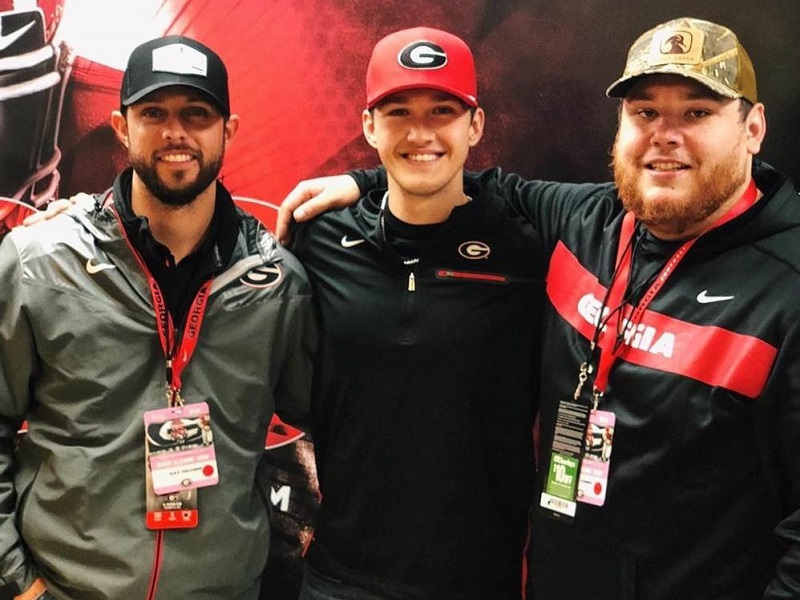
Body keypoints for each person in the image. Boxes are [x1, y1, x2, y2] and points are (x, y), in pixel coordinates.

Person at [279, 17, 800, 599]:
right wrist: (365, 182)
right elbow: (462, 179)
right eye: (645, 112)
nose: (665, 134)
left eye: (697, 113)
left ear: (753, 127)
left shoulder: (787, 285)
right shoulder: (585, 219)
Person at [0, 35, 316, 599]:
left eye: (197, 113)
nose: (176, 132)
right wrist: (18, 581)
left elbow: (332, 424)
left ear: (229, 130)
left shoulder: (278, 287)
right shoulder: (38, 264)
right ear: (122, 127)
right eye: (154, 113)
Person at [290, 27, 543, 600]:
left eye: (443, 110)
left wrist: (365, 177)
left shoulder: (529, 247)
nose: (420, 132)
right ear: (369, 126)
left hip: (479, 582)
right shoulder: (319, 237)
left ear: (474, 125)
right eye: (398, 110)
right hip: (339, 577)